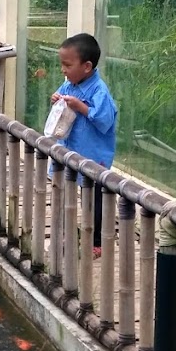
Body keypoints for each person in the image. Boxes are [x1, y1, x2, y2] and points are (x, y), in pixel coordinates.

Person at [50, 33, 118, 254]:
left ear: (87, 66)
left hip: (93, 154)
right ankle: (67, 233)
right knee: (66, 192)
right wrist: (56, 98)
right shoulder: (69, 84)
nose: (63, 70)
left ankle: (97, 241)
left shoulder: (99, 91)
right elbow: (60, 99)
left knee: (94, 199)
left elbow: (105, 121)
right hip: (70, 149)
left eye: (68, 65)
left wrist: (82, 107)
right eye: (62, 64)